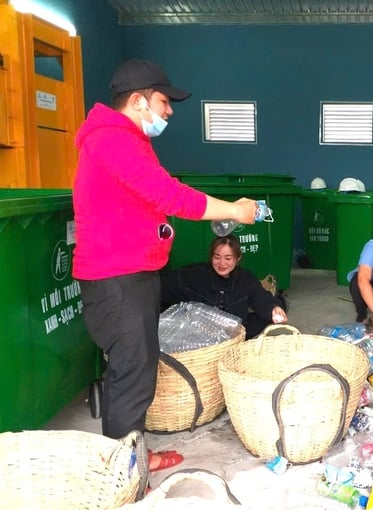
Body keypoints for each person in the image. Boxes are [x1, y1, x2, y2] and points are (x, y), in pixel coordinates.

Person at [72, 58, 259, 473]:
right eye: (163, 101)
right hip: (116, 279)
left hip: (131, 273)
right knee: (131, 375)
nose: (169, 110)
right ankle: (124, 474)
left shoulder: (127, 140)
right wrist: (233, 210)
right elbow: (168, 195)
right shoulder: (111, 140)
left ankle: (133, 458)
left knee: (138, 369)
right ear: (138, 101)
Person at [160, 235, 288, 339]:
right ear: (211, 257)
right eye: (217, 257)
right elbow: (165, 284)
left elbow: (261, 297)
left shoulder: (245, 279)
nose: (222, 263)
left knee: (267, 314)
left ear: (238, 258)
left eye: (228, 258)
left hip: (234, 336)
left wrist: (274, 308)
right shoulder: (196, 275)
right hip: (201, 340)